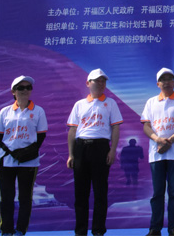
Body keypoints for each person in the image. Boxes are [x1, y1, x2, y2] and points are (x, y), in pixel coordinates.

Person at [67, 68, 123, 236]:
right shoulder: (79, 104)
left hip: (101, 148)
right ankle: (80, 231)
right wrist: (71, 154)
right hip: (81, 148)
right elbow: (72, 131)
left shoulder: (111, 103)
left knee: (100, 192)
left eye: (103, 81)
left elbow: (115, 128)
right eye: (97, 81)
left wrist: (112, 150)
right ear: (88, 83)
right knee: (80, 192)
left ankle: (98, 230)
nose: (100, 83)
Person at [141, 68, 174, 236]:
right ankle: (155, 228)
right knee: (157, 193)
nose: (166, 82)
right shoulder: (151, 102)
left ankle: (173, 228)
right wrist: (158, 140)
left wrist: (168, 141)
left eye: (170, 79)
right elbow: (146, 126)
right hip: (156, 154)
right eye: (163, 79)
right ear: (158, 84)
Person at [0, 75, 48, 236]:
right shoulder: (5, 111)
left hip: (29, 162)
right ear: (13, 92)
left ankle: (20, 230)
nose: (25, 91)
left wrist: (26, 154)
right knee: (7, 197)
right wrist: (13, 153)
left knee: (25, 198)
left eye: (28, 87)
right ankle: (7, 231)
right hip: (6, 161)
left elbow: (41, 136)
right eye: (21, 88)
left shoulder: (38, 111)